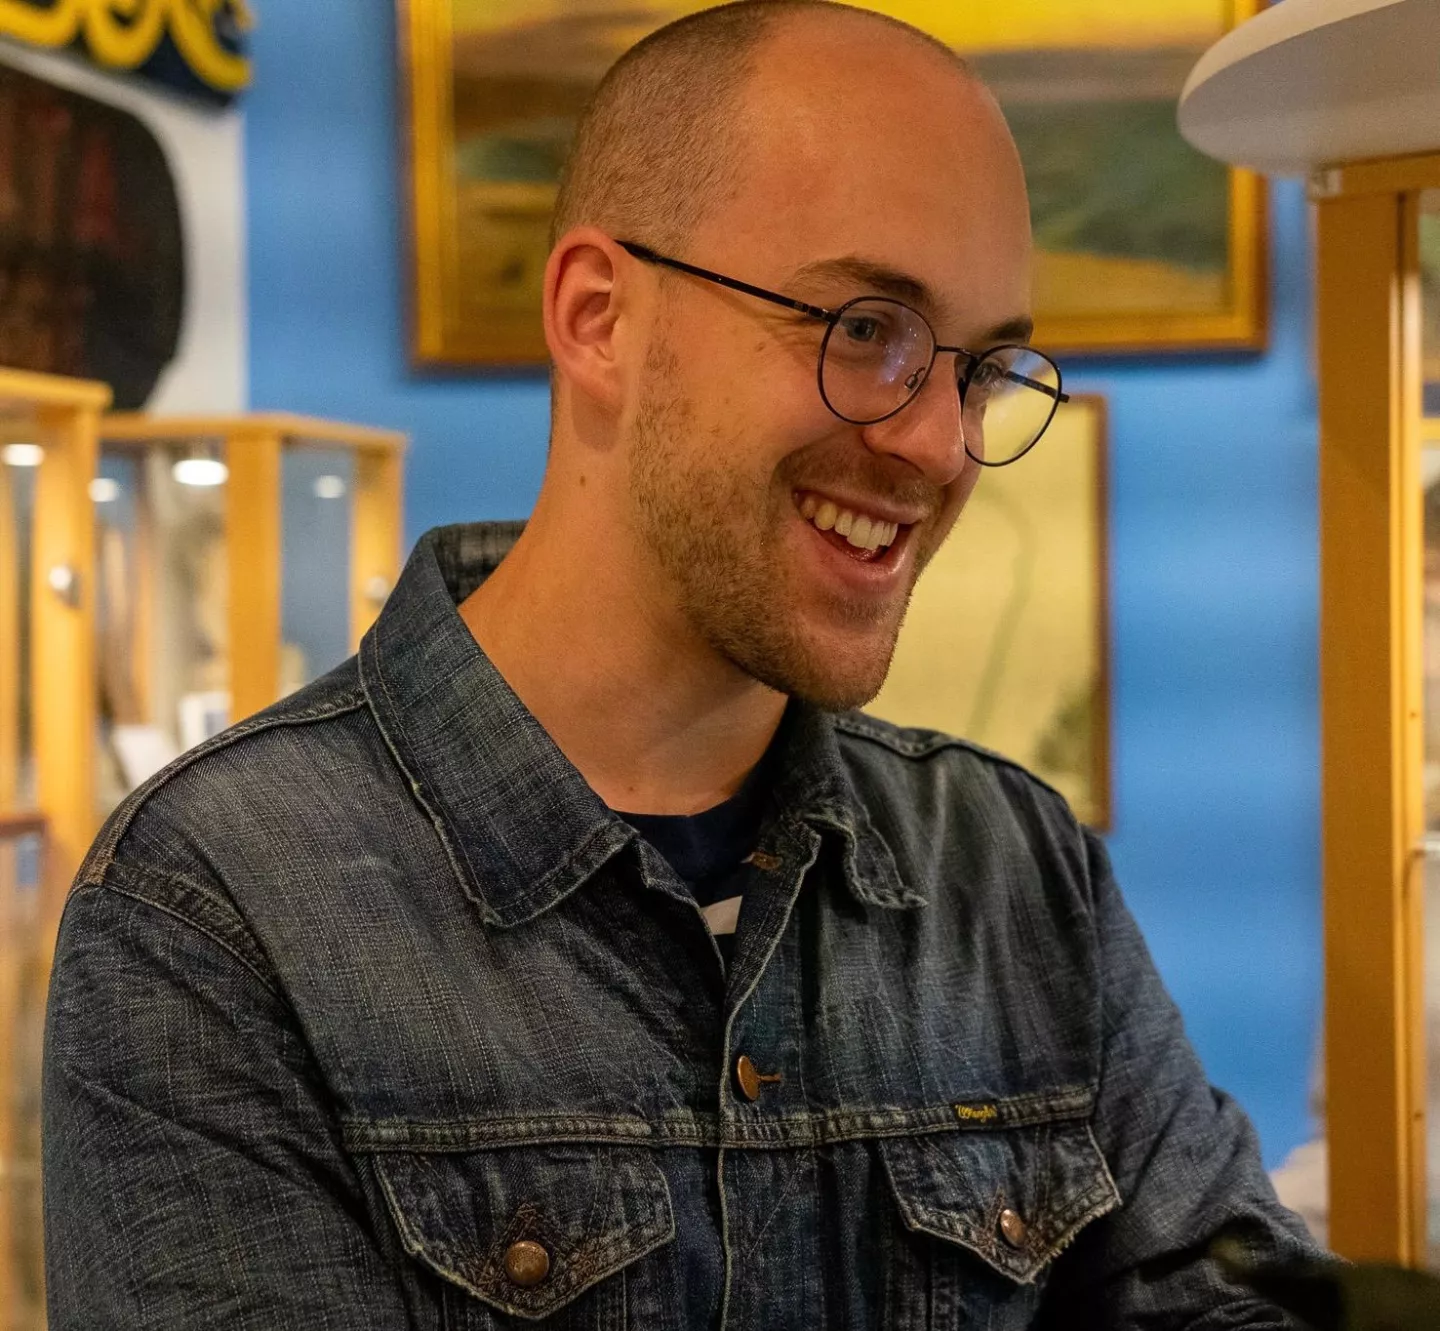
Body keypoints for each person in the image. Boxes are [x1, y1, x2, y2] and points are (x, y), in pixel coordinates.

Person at [42, 2, 1317, 1326]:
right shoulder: (222, 912)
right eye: (865, 326)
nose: (941, 445)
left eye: (985, 367)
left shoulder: (1012, 869)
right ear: (598, 318)